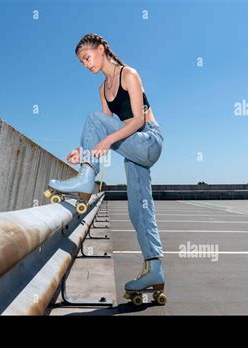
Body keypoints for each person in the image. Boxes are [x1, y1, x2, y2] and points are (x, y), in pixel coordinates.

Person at [47, 33, 165, 301]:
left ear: (101, 50)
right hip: (132, 150)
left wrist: (106, 140)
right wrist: (84, 151)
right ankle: (154, 268)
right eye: (81, 62)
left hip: (148, 140)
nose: (86, 65)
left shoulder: (128, 75)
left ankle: (86, 179)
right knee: (139, 210)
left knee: (93, 119)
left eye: (87, 58)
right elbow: (105, 127)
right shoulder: (102, 89)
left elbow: (135, 122)